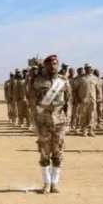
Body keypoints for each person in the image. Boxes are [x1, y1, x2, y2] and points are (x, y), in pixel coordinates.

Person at [31, 55, 69, 194]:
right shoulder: (37, 81)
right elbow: (32, 100)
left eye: (55, 63)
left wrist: (68, 120)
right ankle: (46, 183)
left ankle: (54, 184)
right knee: (44, 153)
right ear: (45, 65)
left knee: (58, 153)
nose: (53, 66)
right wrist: (34, 120)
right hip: (43, 122)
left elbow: (68, 101)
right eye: (51, 64)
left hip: (60, 122)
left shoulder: (63, 81)